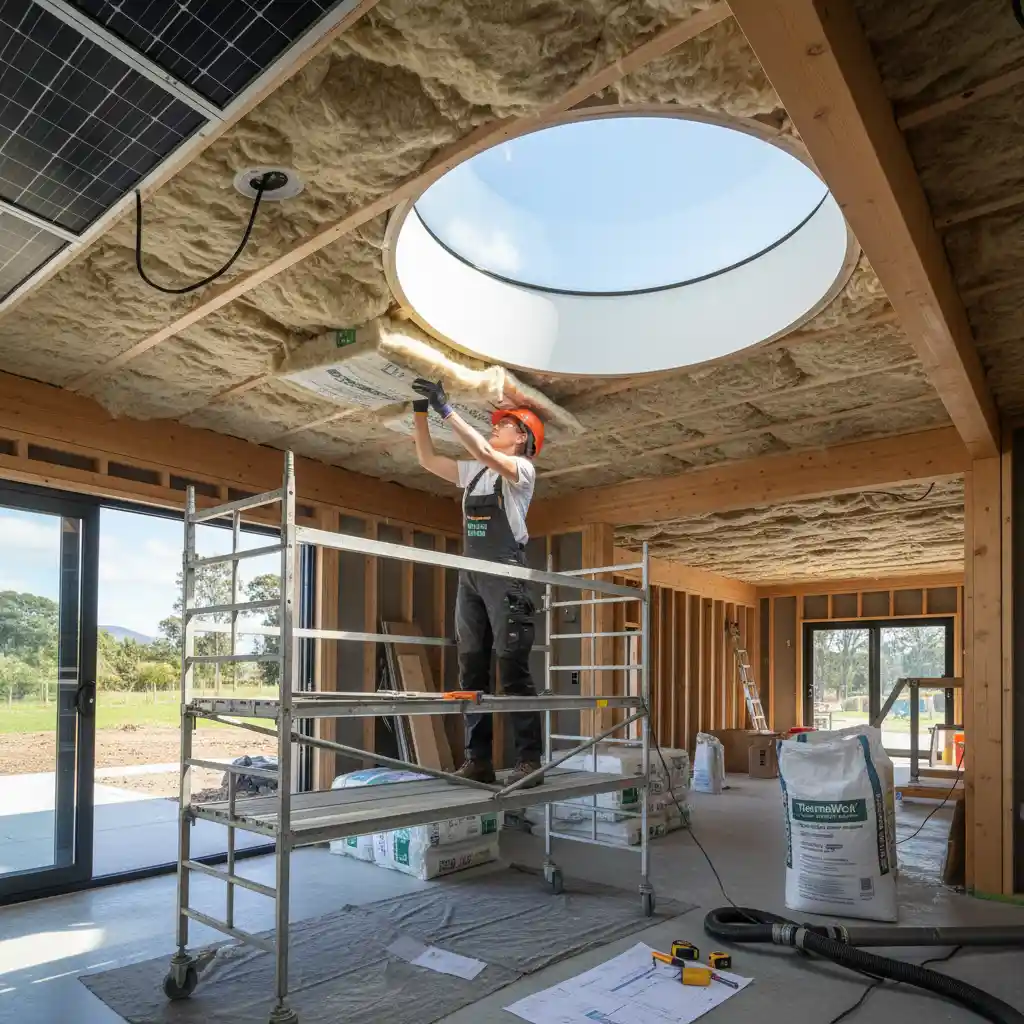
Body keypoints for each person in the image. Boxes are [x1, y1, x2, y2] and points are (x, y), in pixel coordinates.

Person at [410, 377, 545, 787]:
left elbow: (484, 450)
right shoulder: (473, 475)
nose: (495, 428)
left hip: (505, 572)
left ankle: (529, 761)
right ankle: (478, 760)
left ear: (521, 438)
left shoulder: (521, 470)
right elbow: (428, 461)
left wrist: (446, 410)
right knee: (471, 669)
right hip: (471, 573)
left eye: (503, 425)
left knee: (511, 667)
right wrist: (420, 413)